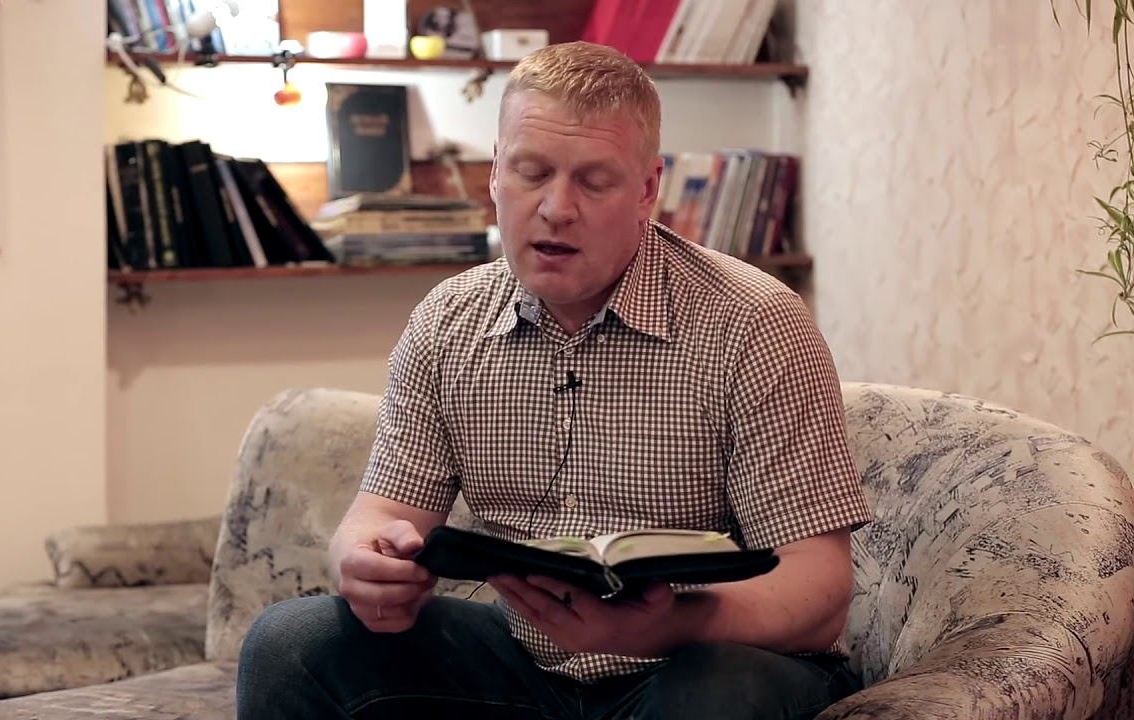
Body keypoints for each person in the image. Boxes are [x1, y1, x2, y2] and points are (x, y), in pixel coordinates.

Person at [236, 40, 873, 720]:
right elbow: (382, 513)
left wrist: (666, 625)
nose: (556, 208)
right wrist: (364, 561)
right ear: (494, 173)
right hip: (523, 660)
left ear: (647, 189)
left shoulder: (753, 321)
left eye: (594, 182)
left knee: (719, 693)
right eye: (531, 172)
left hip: (698, 658)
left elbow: (819, 591)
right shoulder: (447, 321)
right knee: (290, 644)